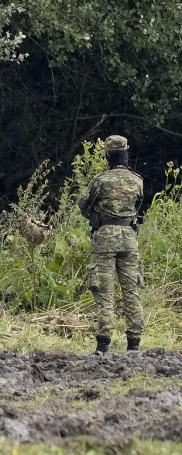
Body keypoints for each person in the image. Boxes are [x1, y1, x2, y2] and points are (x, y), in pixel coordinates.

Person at [78, 135, 144, 353]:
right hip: (129, 238)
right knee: (131, 291)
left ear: (108, 154)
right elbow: (137, 206)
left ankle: (103, 345)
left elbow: (83, 204)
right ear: (126, 153)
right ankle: (134, 345)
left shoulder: (101, 180)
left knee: (104, 292)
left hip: (105, 238)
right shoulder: (137, 180)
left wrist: (98, 216)